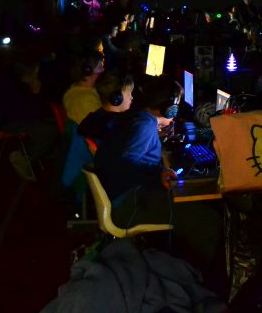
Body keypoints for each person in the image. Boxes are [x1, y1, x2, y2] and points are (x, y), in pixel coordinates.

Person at [94, 75, 221, 272]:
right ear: (169, 108)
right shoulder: (143, 126)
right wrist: (157, 173)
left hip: (124, 196)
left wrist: (159, 166)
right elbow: (123, 163)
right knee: (208, 220)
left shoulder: (139, 119)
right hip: (127, 205)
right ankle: (200, 278)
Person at [0, 57, 60, 180]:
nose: (37, 74)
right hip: (6, 121)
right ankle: (23, 156)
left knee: (51, 122)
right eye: (36, 71)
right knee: (50, 130)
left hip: (8, 117)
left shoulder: (13, 79)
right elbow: (27, 114)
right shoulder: (14, 86)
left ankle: (41, 152)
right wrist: (35, 93)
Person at [78, 73, 135, 145]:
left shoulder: (94, 116)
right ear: (117, 98)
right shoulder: (119, 127)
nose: (131, 97)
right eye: (129, 94)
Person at [62, 51, 105, 125]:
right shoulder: (85, 99)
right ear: (88, 70)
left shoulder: (75, 88)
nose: (102, 64)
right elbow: (100, 126)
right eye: (100, 64)